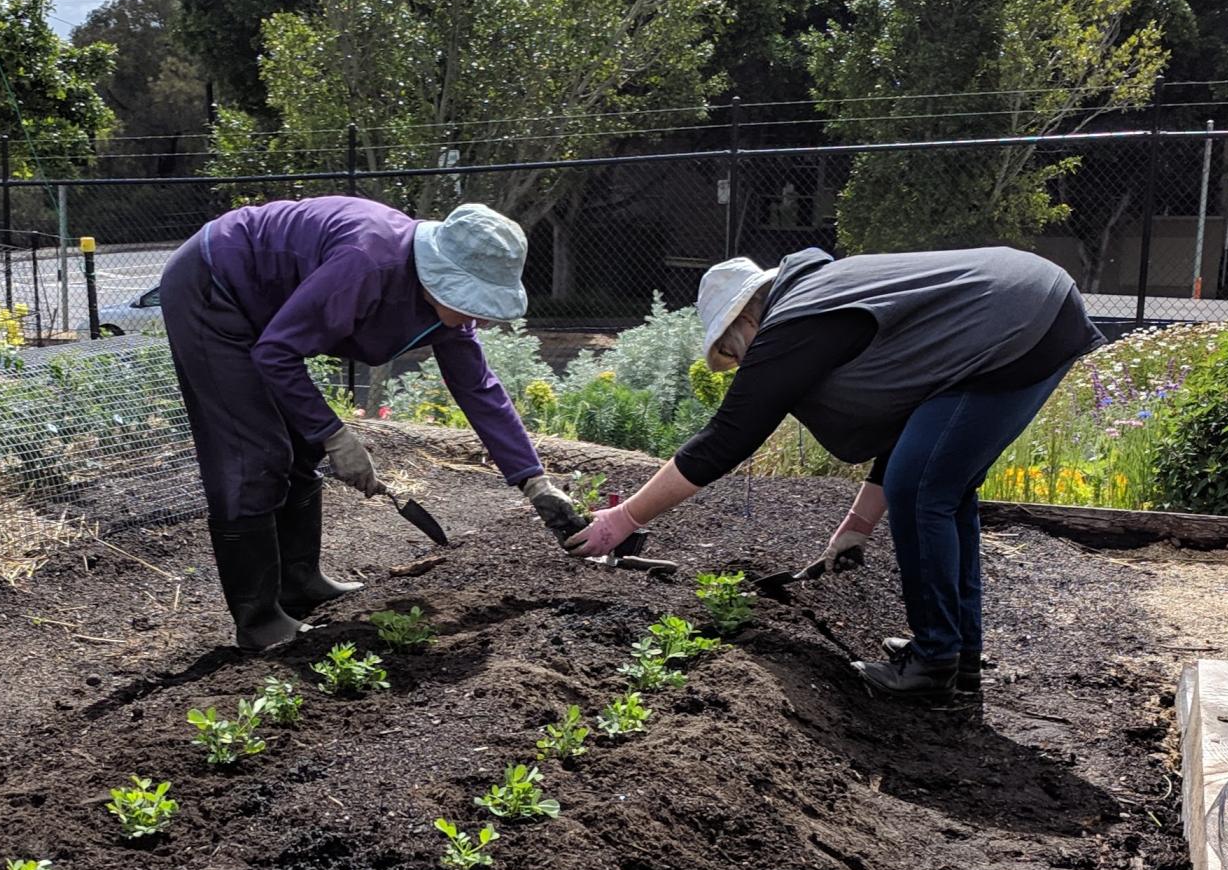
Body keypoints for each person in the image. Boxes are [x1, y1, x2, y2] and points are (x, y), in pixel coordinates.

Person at [568, 245, 1103, 698]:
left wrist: (623, 519)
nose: (743, 365)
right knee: (940, 486)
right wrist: (857, 527)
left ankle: (935, 662)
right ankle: (955, 653)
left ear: (747, 319)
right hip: (1030, 311)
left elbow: (726, 439)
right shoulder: (822, 298)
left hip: (1020, 323)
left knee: (921, 490)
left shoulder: (797, 321)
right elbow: (912, 422)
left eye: (734, 351)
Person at [159, 197, 583, 649]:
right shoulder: (367, 263)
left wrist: (534, 482)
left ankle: (299, 585)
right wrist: (335, 435)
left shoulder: (443, 308)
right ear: (439, 276)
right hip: (215, 287)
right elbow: (277, 352)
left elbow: (478, 389)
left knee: (300, 446)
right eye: (471, 299)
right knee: (255, 454)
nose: (477, 315)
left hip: (264, 309)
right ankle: (259, 621)